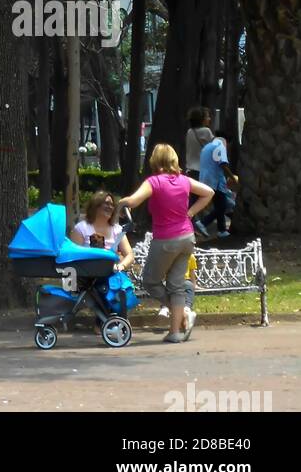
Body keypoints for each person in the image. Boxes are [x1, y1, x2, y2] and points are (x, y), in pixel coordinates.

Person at [119, 143, 214, 343]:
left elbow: (134, 201)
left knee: (150, 281)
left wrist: (120, 203)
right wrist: (190, 213)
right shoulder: (184, 181)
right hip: (187, 237)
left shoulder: (154, 182)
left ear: (155, 160)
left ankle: (180, 314)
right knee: (176, 285)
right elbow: (209, 192)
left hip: (165, 240)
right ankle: (175, 332)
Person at [69, 190, 134, 271]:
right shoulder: (81, 228)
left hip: (112, 272)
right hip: (87, 274)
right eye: (107, 203)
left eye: (112, 205)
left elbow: (130, 255)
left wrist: (121, 266)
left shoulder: (118, 230)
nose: (110, 207)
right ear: (95, 206)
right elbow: (73, 255)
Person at [197, 130, 233, 238]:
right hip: (215, 181)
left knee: (219, 205)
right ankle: (203, 222)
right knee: (222, 206)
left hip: (205, 179)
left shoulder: (207, 147)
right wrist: (233, 178)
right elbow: (223, 165)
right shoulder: (220, 147)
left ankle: (221, 230)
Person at [184, 107, 214, 180]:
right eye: (207, 117)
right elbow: (215, 147)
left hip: (190, 170)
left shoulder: (189, 131)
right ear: (201, 119)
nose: (209, 119)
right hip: (202, 170)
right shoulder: (206, 131)